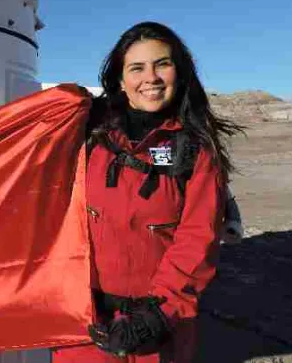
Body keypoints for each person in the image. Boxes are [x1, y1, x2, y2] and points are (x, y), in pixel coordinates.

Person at [52, 21, 243, 362]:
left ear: (179, 73)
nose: (150, 78)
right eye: (136, 68)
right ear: (121, 81)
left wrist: (156, 316)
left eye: (162, 64)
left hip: (158, 331)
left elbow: (197, 239)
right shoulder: (87, 135)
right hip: (85, 327)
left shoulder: (196, 150)